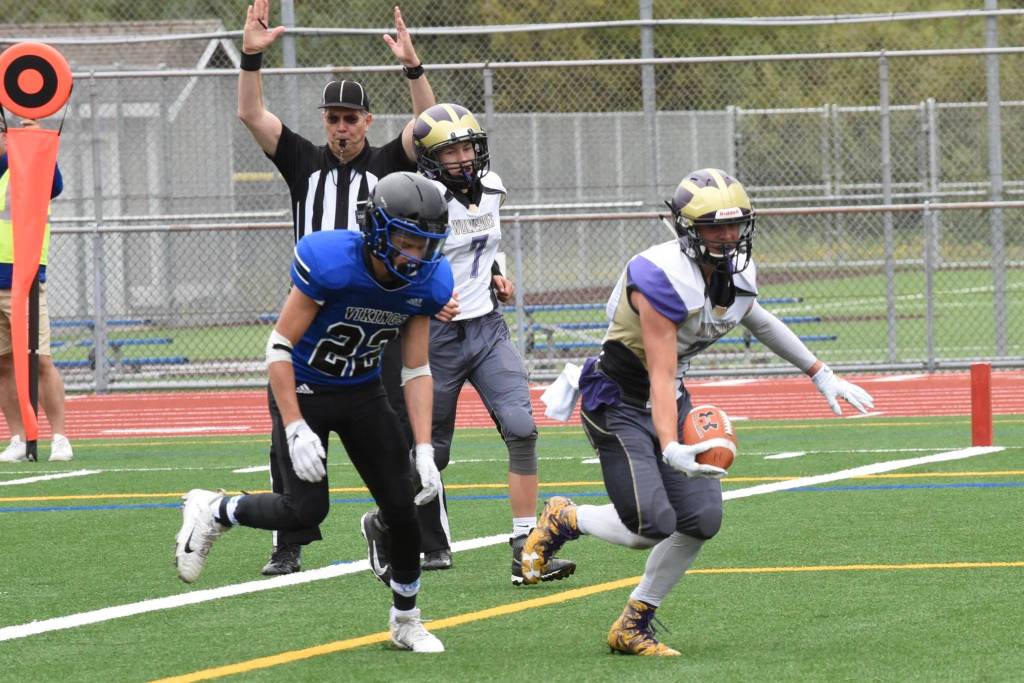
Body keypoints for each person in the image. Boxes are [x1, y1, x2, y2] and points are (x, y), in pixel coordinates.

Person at [519, 168, 874, 655]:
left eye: (734, 225)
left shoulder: (737, 270)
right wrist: (670, 446)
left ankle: (633, 623)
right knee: (650, 527)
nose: (727, 236)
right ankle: (565, 518)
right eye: (713, 226)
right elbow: (660, 374)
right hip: (618, 400)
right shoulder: (659, 276)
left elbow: (756, 318)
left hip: (670, 394)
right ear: (686, 228)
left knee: (702, 518)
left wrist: (819, 372)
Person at [174, 171, 454, 653]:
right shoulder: (332, 262)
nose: (416, 255)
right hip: (302, 387)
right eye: (407, 241)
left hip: (362, 391)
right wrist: (295, 425)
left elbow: (416, 370)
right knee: (305, 509)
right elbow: (279, 346)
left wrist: (424, 447)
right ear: (378, 230)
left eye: (425, 245)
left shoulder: (425, 282)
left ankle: (406, 619)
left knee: (404, 509)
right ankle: (214, 508)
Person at [237, 0, 436, 575]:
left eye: (352, 118)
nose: (342, 127)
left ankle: (401, 529)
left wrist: (413, 68)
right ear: (324, 121)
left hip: (379, 314)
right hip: (315, 314)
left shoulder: (387, 165)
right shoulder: (303, 160)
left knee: (395, 422)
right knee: (292, 429)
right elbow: (252, 114)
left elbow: (429, 126)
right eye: (334, 118)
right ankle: (289, 539)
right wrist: (251, 56)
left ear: (368, 122)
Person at [360, 103, 575, 584]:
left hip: (487, 329)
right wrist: (427, 299)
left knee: (521, 428)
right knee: (431, 454)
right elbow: (397, 261)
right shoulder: (423, 199)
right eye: (450, 150)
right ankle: (383, 523)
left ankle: (528, 551)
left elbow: (484, 246)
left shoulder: (494, 188)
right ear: (430, 159)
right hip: (436, 336)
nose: (462, 158)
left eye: (466, 147)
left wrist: (498, 275)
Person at [0, 118, 73, 463]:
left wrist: (34, 140)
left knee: (40, 359)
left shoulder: (29, 163)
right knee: (3, 364)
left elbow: (54, 184)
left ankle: (59, 436)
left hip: (23, 277)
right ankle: (17, 437)